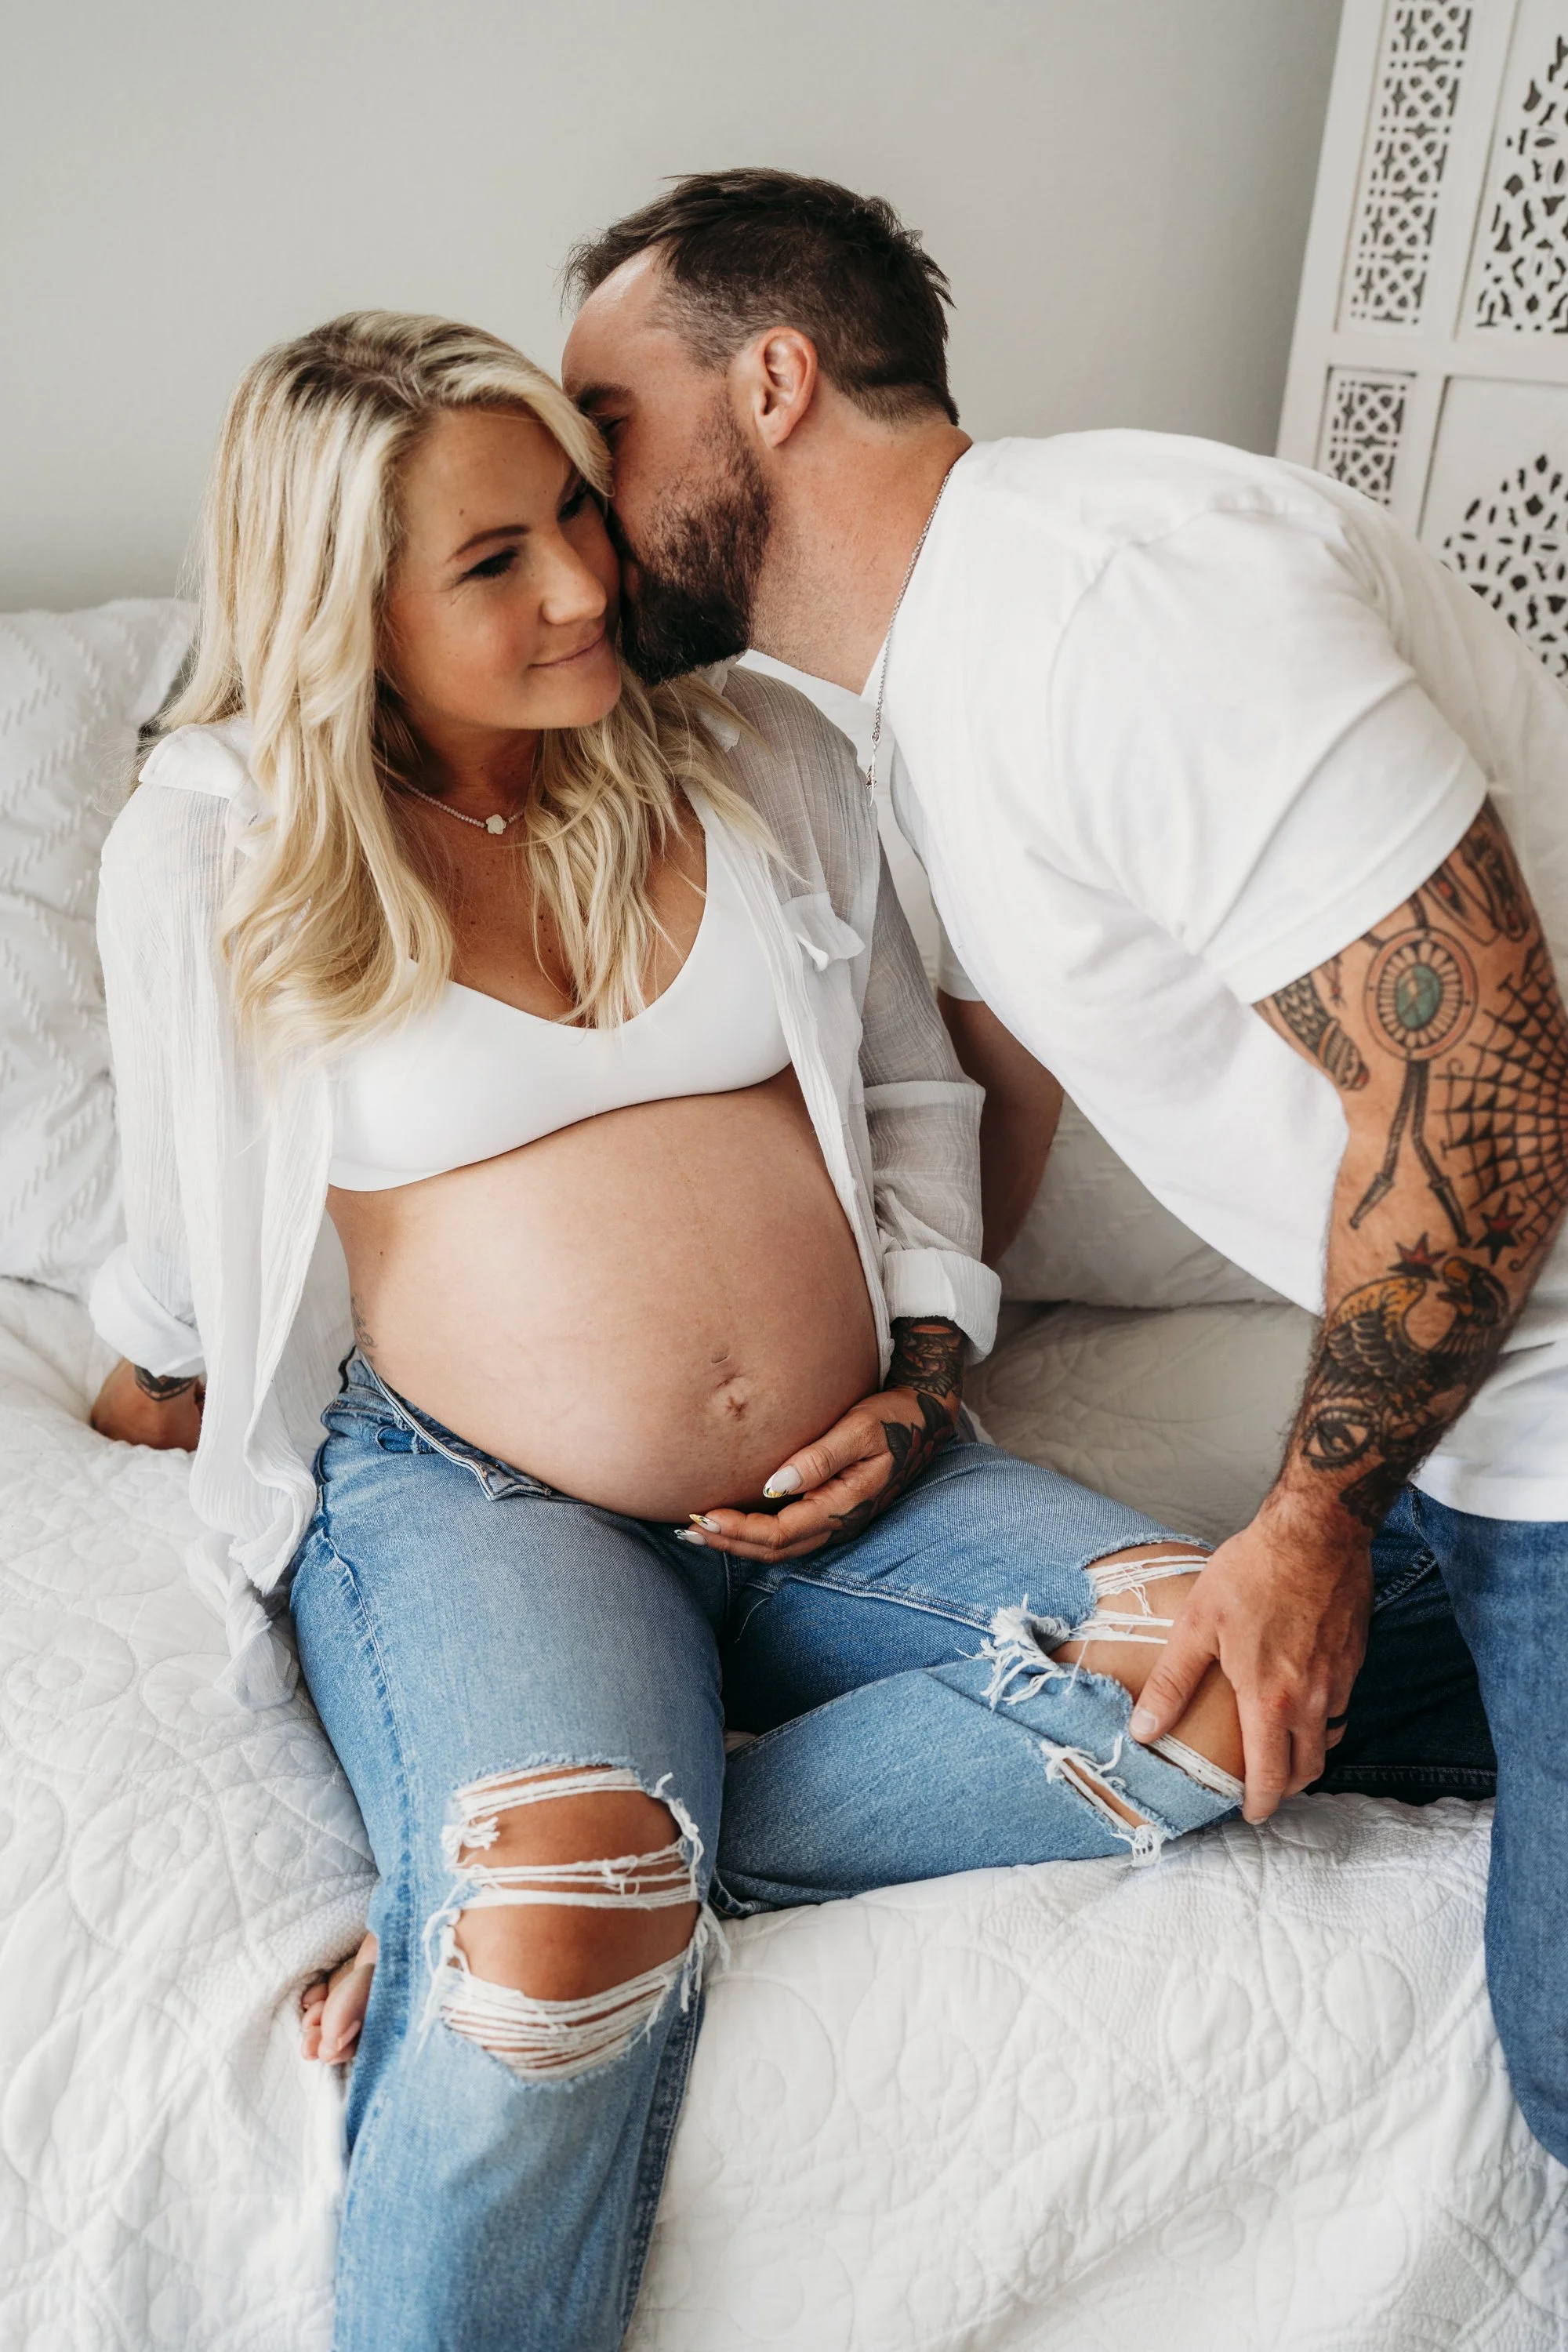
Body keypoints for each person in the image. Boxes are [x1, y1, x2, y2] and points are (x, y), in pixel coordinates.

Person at [87, 311, 1255, 2352]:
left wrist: (927, 1378)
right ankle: (558, 1858)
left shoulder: (752, 750)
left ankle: (587, 1835)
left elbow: (911, 1095)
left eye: (573, 512)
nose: (581, 582)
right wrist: (142, 1379)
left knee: (1217, 1683)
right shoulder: (222, 840)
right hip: (484, 1502)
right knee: (555, 1959)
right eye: (493, 562)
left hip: (859, 1476)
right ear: (346, 615)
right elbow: (190, 1232)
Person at [559, 169, 1568, 2165]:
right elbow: (1003, 1071)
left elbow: (1491, 1087)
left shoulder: (1121, 602)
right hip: (1461, 1436)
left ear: (771, 381)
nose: (585, 503)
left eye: (606, 422)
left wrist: (1308, 1530)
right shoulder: (914, 691)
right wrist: (922, 1375)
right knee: (1168, 1703)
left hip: (1539, 1417)